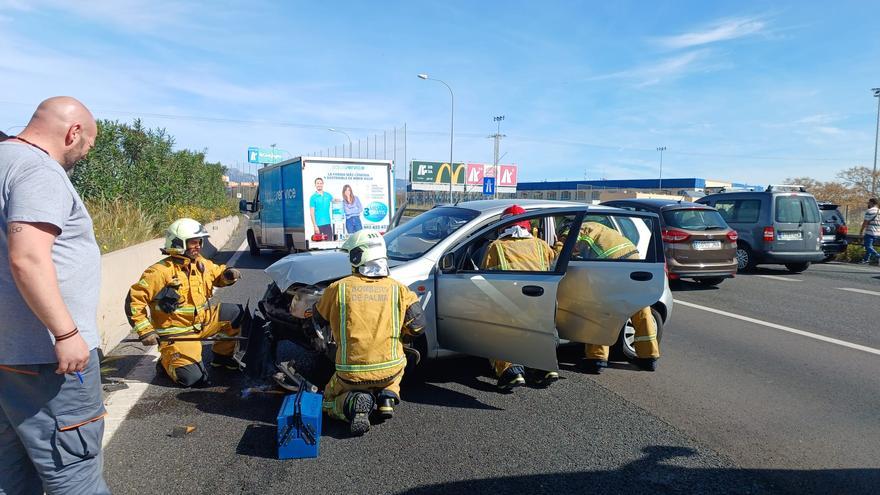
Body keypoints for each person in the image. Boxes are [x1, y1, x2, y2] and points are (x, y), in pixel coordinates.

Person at [0, 97, 110, 493]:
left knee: (11, 476)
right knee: (73, 476)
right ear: (73, 132)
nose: (84, 154)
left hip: (8, 358)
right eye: (88, 145)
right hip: (46, 361)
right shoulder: (37, 169)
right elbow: (27, 257)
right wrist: (65, 333)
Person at [313, 230, 426, 435]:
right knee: (397, 368)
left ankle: (354, 402)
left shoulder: (338, 288)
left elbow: (317, 318)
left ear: (358, 256)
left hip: (351, 373)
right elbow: (418, 326)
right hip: (391, 370)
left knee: (326, 401)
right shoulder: (399, 289)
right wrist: (402, 337)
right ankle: (387, 397)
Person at [126, 218, 244, 387]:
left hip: (201, 322)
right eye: (193, 242)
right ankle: (167, 363)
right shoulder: (159, 272)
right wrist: (145, 331)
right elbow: (133, 301)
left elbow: (218, 274)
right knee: (192, 379)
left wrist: (228, 275)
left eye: (199, 242)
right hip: (178, 333)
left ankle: (222, 358)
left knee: (234, 313)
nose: (198, 246)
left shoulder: (200, 263)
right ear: (178, 243)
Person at [481, 205, 559, 391]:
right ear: (527, 226)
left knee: (500, 332)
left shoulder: (496, 247)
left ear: (503, 226)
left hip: (510, 301)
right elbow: (553, 260)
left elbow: (485, 277)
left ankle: (512, 371)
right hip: (541, 301)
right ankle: (545, 369)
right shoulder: (541, 245)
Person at [569, 221, 660, 374]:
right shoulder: (600, 228)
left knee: (599, 311)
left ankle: (596, 359)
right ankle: (648, 358)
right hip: (633, 261)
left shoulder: (576, 230)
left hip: (612, 268)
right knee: (640, 309)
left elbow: (564, 251)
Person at [859, 197, 879, 264]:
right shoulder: (879, 211)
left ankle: (878, 256)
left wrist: (861, 230)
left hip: (870, 232)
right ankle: (866, 259)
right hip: (878, 233)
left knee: (868, 246)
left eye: (869, 202)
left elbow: (865, 222)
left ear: (872, 203)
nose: (868, 203)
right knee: (870, 246)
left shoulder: (869, 211)